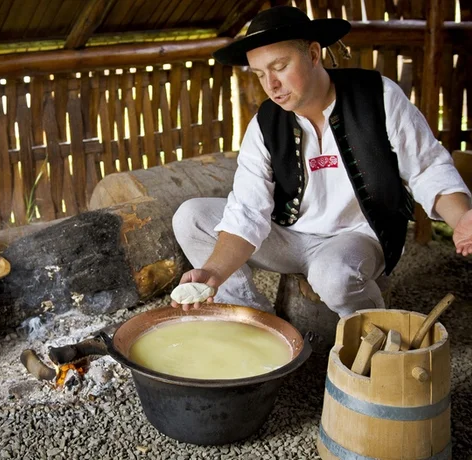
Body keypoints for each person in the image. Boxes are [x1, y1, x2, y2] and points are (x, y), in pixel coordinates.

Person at [170, 6, 472, 316]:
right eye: (260, 74)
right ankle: (250, 317)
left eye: (280, 66)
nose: (271, 85)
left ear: (314, 54)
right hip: (287, 236)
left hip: (355, 237)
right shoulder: (265, 124)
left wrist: (462, 218)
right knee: (191, 217)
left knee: (334, 277)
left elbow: (427, 167)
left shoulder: (377, 97)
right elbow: (247, 209)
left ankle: (375, 333)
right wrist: (215, 272)